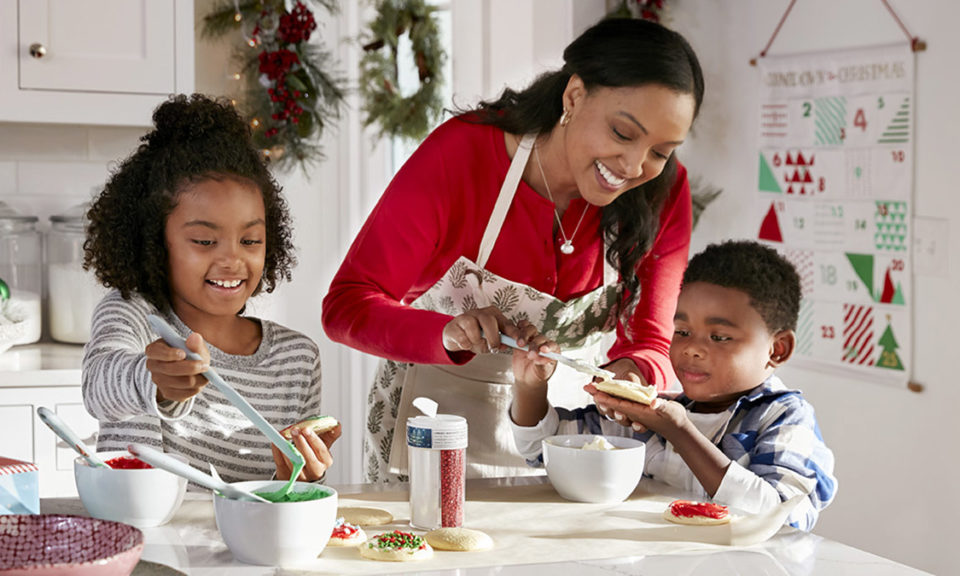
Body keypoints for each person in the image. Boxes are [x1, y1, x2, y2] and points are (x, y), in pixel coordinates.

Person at [322, 17, 705, 483]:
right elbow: (346, 305)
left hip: (564, 446)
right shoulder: (465, 152)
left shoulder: (662, 191)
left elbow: (653, 342)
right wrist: (448, 333)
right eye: (623, 134)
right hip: (435, 432)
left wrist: (634, 373)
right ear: (574, 96)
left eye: (661, 151)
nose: (633, 166)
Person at [82, 94, 340, 483]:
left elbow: (271, 501)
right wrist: (155, 379)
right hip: (144, 541)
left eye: (250, 241)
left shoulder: (296, 359)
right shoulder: (136, 316)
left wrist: (298, 481)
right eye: (204, 242)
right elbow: (99, 388)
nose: (232, 260)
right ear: (155, 241)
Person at [510, 240, 838, 531]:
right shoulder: (652, 417)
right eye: (681, 332)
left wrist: (679, 431)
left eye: (720, 337)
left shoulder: (783, 419)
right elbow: (542, 448)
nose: (691, 348)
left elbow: (781, 517)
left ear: (777, 349)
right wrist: (530, 386)